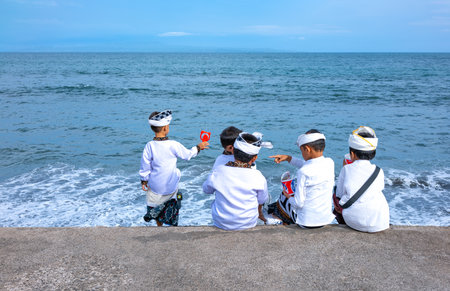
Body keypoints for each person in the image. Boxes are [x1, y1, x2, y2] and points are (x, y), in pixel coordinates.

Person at [139, 110, 209, 226]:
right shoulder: (173, 144)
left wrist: (144, 180)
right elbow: (187, 155)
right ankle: (171, 221)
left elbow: (145, 165)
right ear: (166, 128)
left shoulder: (149, 146)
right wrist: (198, 147)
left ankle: (158, 223)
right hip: (169, 185)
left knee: (155, 203)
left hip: (155, 184)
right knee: (172, 201)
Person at [268, 129, 335, 228]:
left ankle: (281, 221)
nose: (302, 154)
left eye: (302, 150)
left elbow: (298, 204)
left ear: (307, 149)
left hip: (306, 223)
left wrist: (289, 197)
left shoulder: (303, 172)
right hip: (325, 220)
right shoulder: (330, 162)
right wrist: (288, 158)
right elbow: (308, 164)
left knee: (283, 197)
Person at [202, 132, 269, 230]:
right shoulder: (258, 176)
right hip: (248, 223)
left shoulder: (218, 171)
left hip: (221, 222)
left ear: (233, 151)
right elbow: (262, 200)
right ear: (254, 158)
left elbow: (206, 190)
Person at [334, 126, 390, 232]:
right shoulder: (379, 171)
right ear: (373, 153)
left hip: (355, 221)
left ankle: (340, 223)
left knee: (335, 192)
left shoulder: (346, 169)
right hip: (380, 221)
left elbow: (339, 195)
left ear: (352, 154)